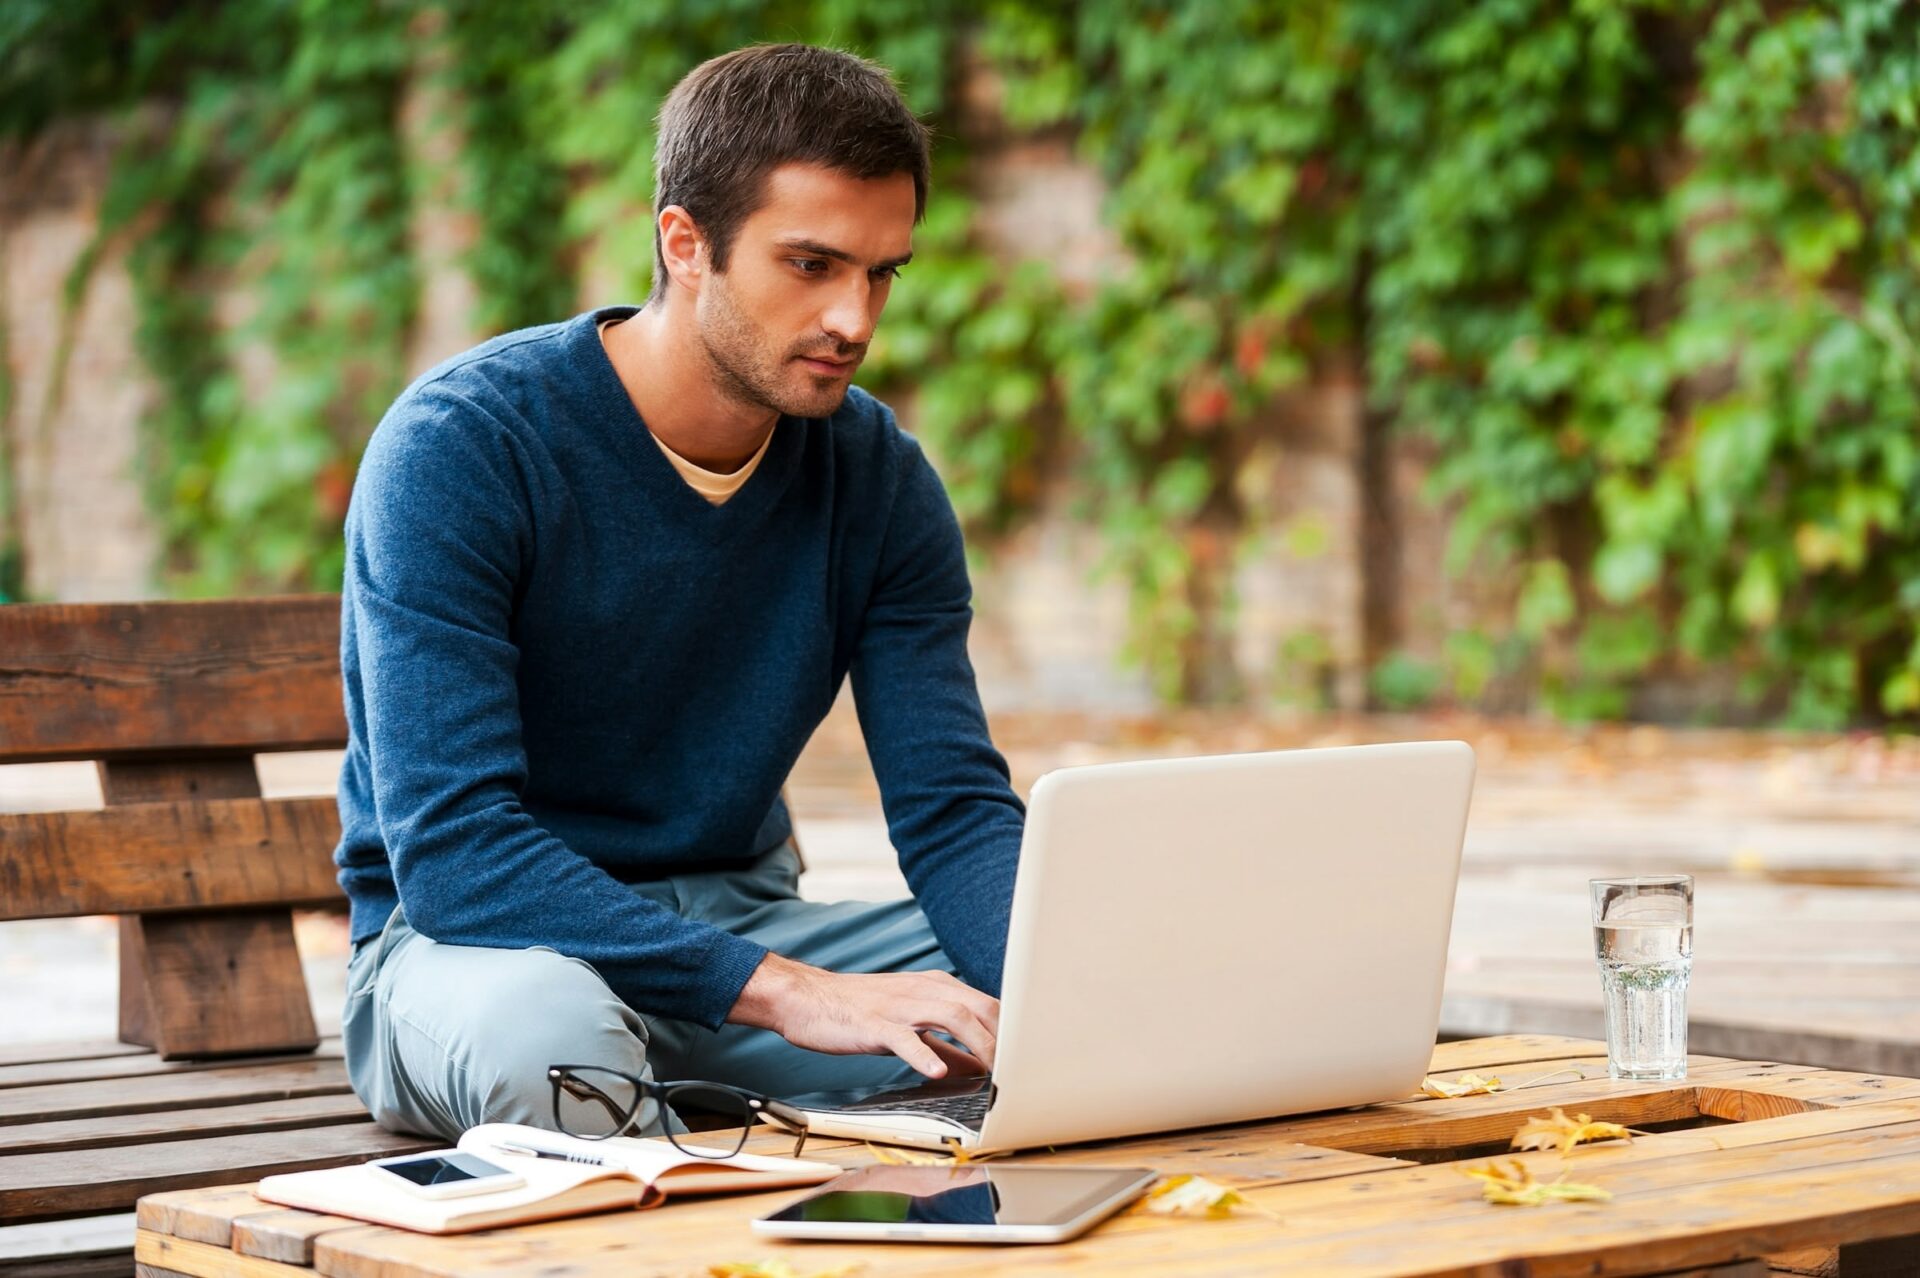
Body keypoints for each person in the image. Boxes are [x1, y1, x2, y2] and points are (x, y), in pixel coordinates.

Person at [335, 43, 1024, 1141]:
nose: (856, 318)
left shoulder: (877, 478)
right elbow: (458, 853)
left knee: (1095, 970)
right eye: (812, 264)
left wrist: (1063, 988)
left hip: (748, 927)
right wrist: (796, 992)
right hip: (480, 956)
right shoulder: (464, 448)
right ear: (684, 243)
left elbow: (951, 812)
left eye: (882, 271)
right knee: (551, 1040)